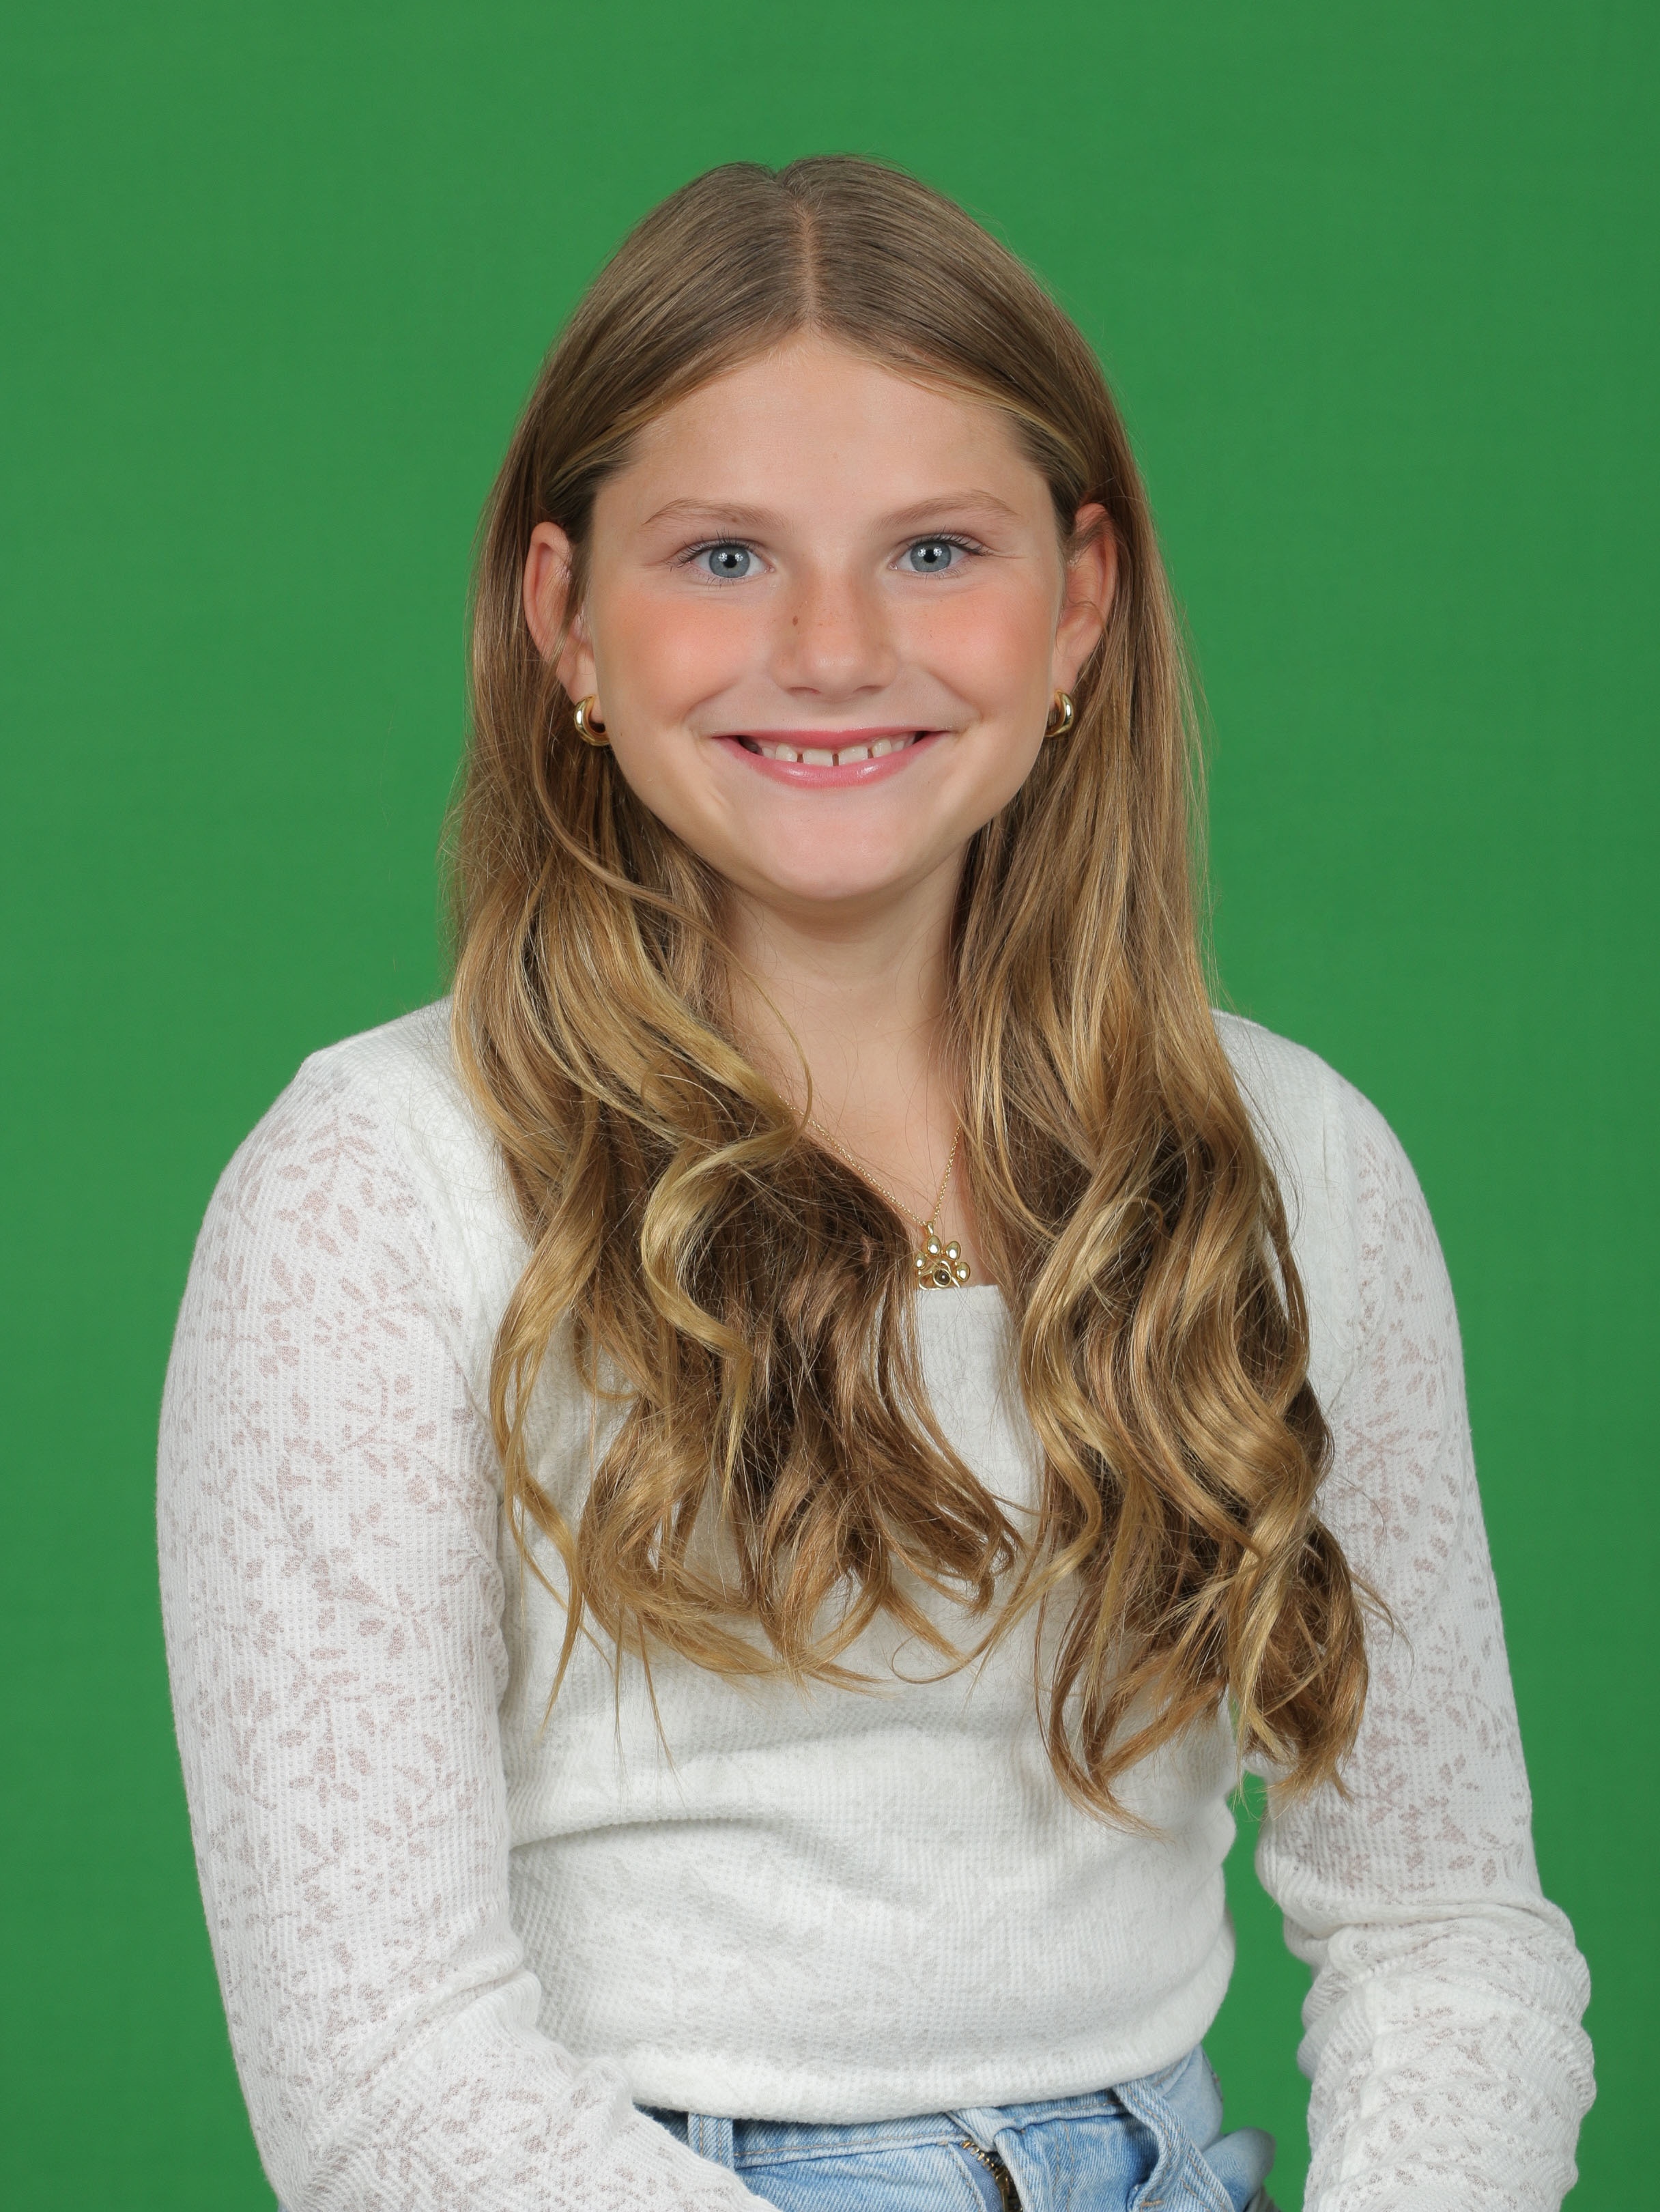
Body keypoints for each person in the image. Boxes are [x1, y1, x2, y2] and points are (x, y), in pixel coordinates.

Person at [158, 157, 1593, 2212]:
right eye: (723, 555)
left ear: (1079, 602)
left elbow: (1446, 1926)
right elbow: (382, 2077)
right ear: (565, 618)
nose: (832, 649)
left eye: (933, 549)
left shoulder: (1289, 1166)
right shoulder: (376, 1193)